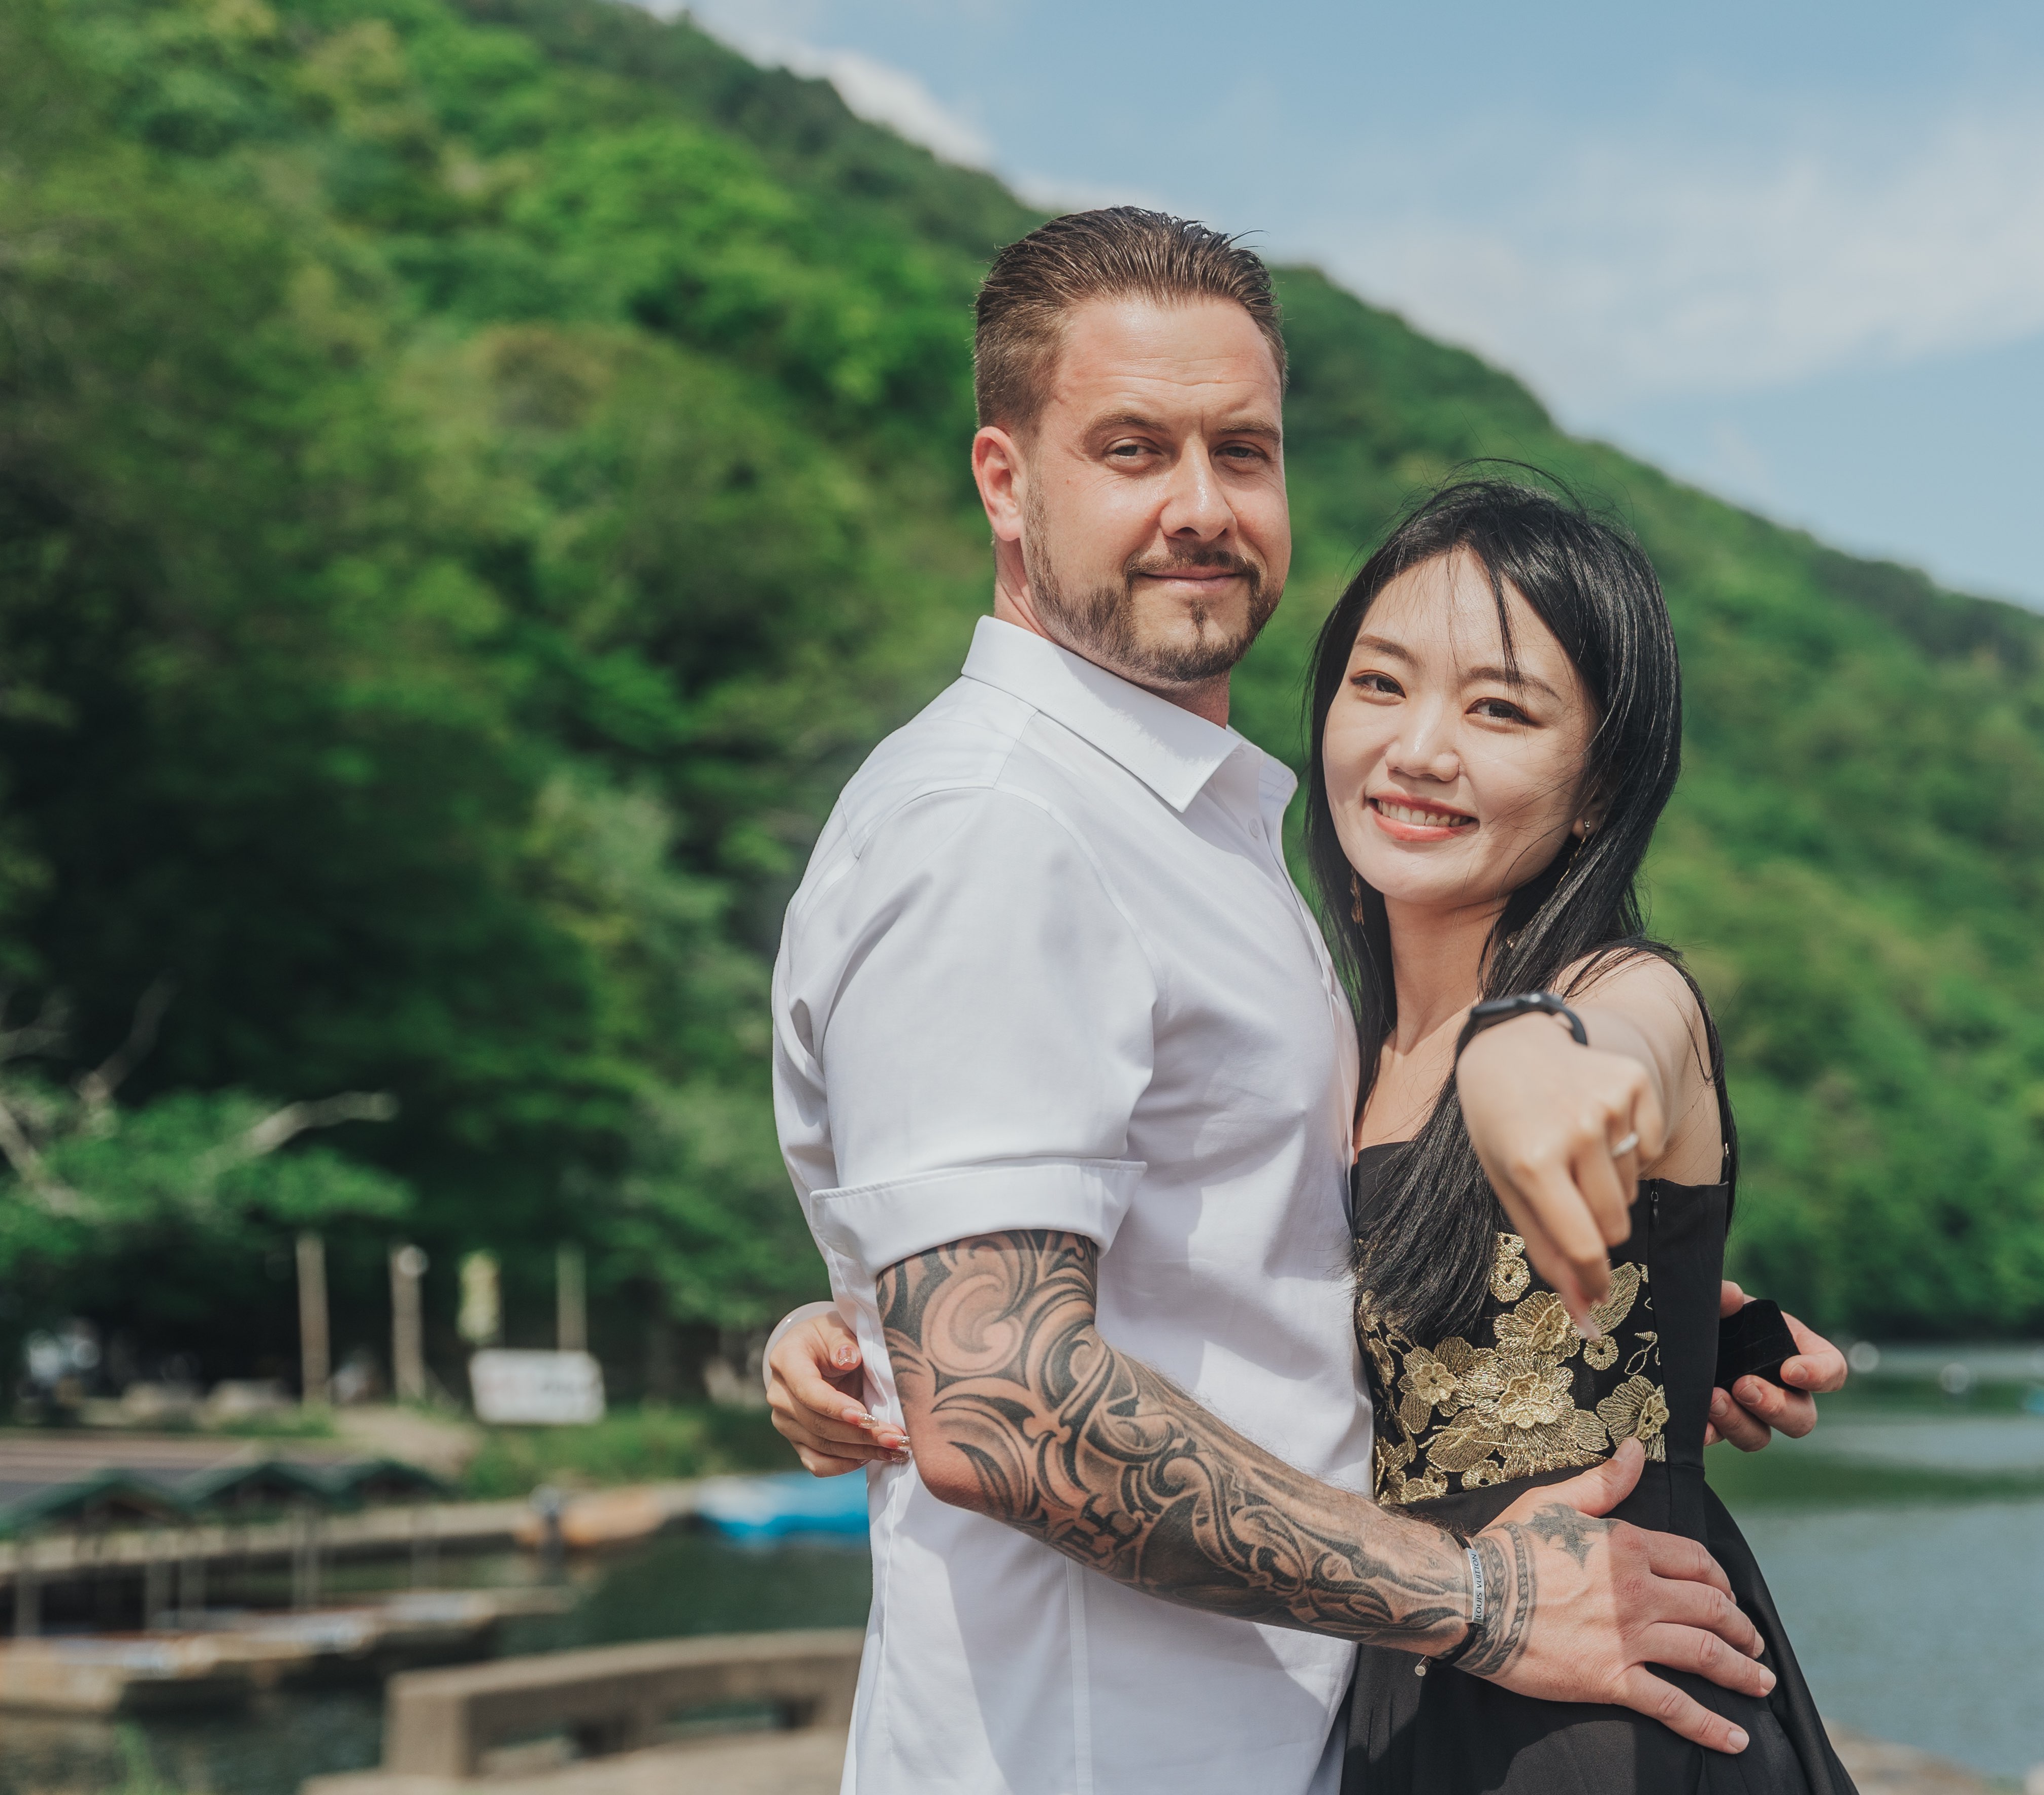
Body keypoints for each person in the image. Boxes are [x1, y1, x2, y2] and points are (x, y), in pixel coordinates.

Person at [765, 207, 1844, 1795]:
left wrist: (1670, 1316)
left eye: (1244, 452)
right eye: (1133, 449)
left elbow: (1263, 1253)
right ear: (1006, 479)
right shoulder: (1000, 829)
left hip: (1323, 1730)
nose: (1200, 508)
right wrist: (1474, 1598)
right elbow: (997, 1401)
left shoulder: (1204, 838)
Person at [1312, 476, 1851, 1791]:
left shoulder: (1624, 994)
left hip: (1602, 1706)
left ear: (1599, 786)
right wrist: (849, 1334)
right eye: (1381, 685)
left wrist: (1523, 1061)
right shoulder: (1327, 1044)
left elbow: (1609, 1056)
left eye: (1499, 709)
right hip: (1405, 1670)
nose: (1421, 748)